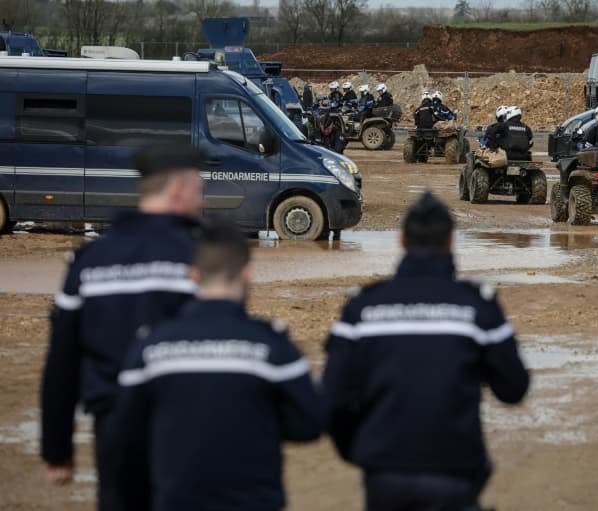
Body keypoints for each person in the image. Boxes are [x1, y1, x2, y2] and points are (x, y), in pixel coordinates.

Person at [323, 192, 530, 511]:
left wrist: (360, 450)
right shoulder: (476, 306)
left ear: (402, 241)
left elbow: (333, 398)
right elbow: (514, 388)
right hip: (454, 471)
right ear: (450, 242)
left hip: (385, 476)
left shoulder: (363, 308)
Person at [113, 220, 327, 511]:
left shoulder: (150, 346)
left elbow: (124, 436)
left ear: (193, 275)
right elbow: (310, 424)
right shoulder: (272, 346)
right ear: (247, 274)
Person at [41, 144, 206, 511]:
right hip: (183, 426)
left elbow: (62, 359)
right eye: (200, 189)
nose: (204, 201)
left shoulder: (90, 260)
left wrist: (57, 447)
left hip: (113, 427)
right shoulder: (198, 259)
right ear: (177, 189)